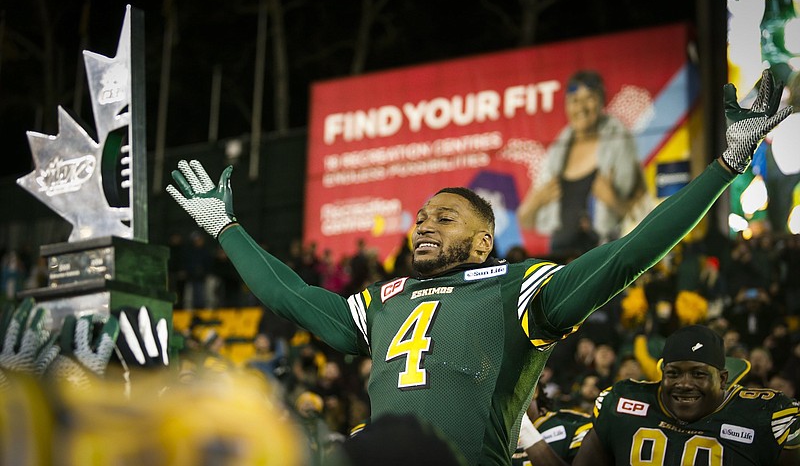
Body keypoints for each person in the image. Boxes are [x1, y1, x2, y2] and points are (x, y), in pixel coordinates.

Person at [167, 70, 792, 465]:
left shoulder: (519, 288)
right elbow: (291, 297)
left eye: (444, 217)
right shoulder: (384, 299)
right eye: (420, 217)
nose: (423, 225)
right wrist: (227, 228)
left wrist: (725, 166)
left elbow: (626, 254)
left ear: (484, 239)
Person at [573, 324, 800, 465]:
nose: (684, 384)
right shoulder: (621, 402)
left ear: (722, 379)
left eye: (698, 374)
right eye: (673, 373)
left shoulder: (766, 417)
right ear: (662, 373)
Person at [516, 70, 646, 257]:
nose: (581, 108)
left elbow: (641, 216)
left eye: (589, 98)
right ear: (567, 106)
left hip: (602, 258)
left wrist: (613, 201)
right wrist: (536, 202)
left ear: (602, 101)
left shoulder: (621, 148)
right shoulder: (556, 154)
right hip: (559, 262)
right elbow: (525, 220)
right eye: (575, 101)